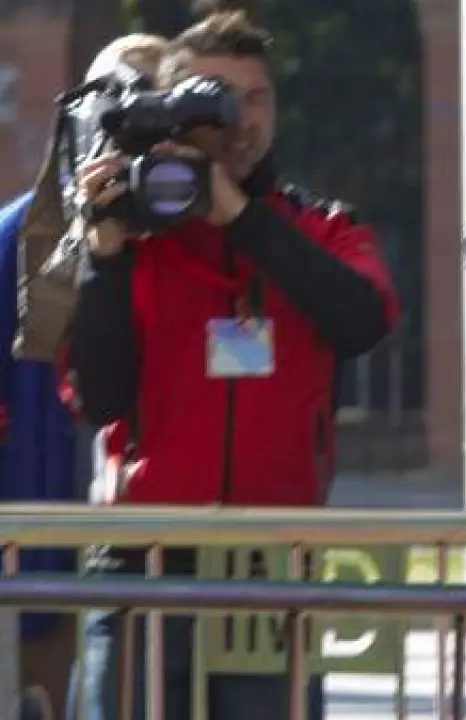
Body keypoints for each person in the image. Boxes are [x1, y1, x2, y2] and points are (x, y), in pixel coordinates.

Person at [64, 12, 399, 720]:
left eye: (256, 98)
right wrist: (105, 256)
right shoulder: (133, 238)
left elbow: (364, 320)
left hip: (271, 566)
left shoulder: (320, 227)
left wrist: (241, 218)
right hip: (146, 562)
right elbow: (99, 397)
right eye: (217, 99)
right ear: (172, 110)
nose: (241, 120)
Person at [0, 34, 167, 720]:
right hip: (32, 547)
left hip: (155, 548)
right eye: (113, 106)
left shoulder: (202, 239)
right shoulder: (17, 240)